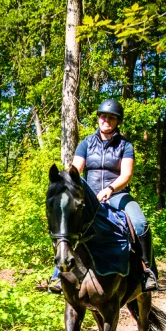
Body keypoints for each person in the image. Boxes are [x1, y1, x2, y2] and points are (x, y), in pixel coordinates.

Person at [49, 99, 158, 293]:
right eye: (103, 116)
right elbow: (76, 169)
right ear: (98, 118)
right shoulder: (86, 143)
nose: (106, 120)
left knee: (140, 223)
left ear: (117, 121)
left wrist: (110, 189)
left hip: (117, 194)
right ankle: (58, 274)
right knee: (66, 222)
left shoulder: (125, 145)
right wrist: (67, 183)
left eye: (111, 118)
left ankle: (147, 271)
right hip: (89, 196)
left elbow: (126, 175)